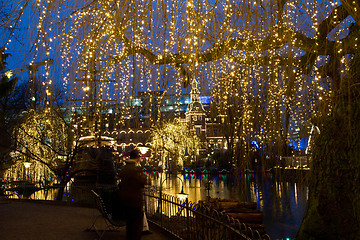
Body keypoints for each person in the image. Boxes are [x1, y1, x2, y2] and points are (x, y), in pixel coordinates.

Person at [118, 148, 146, 240]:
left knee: (130, 224)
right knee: (137, 225)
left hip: (126, 199)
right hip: (135, 201)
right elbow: (142, 182)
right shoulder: (135, 169)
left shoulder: (124, 168)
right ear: (137, 158)